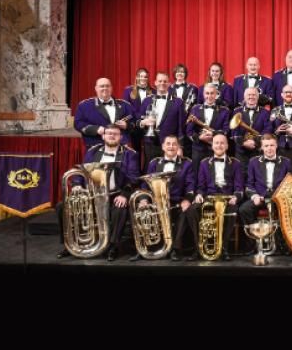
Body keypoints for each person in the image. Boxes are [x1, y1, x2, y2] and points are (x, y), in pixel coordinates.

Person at [57, 123, 140, 261]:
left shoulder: (129, 154)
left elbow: (133, 178)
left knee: (120, 210)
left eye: (115, 134)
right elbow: (81, 172)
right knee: (62, 206)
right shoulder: (93, 152)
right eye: (109, 133)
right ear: (103, 136)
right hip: (92, 194)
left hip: (114, 194)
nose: (112, 136)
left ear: (120, 137)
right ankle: (70, 243)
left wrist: (124, 195)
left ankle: (113, 246)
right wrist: (77, 185)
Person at [129, 134, 198, 262]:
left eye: (174, 144)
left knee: (184, 213)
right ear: (163, 146)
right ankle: (144, 248)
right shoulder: (154, 163)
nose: (171, 146)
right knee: (141, 211)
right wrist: (143, 199)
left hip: (176, 201)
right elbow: (145, 183)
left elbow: (190, 184)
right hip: (156, 202)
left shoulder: (187, 163)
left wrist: (187, 199)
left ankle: (175, 249)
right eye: (168, 144)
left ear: (178, 147)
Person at [192, 133, 245, 261]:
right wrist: (199, 194)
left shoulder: (236, 163)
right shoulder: (204, 163)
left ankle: (224, 247)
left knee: (233, 211)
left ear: (227, 146)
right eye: (216, 143)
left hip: (227, 198)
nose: (219, 145)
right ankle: (199, 247)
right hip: (209, 198)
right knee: (192, 210)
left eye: (222, 143)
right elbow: (200, 186)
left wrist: (236, 197)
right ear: (212, 145)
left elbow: (239, 187)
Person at [238, 133, 292, 254]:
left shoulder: (286, 162)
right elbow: (249, 184)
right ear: (261, 147)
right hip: (260, 198)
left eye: (272, 145)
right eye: (266, 146)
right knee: (244, 209)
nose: (269, 148)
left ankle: (283, 245)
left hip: (278, 199)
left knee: (289, 209)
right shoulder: (253, 161)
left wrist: (279, 197)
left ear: (276, 146)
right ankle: (253, 244)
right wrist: (254, 196)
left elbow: (290, 185)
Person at [137, 71, 184, 169]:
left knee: (169, 170)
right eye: (160, 81)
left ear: (169, 84)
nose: (162, 83)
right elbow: (138, 119)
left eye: (165, 81)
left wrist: (180, 146)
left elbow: (181, 127)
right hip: (150, 143)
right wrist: (143, 122)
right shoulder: (147, 100)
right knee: (149, 170)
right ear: (155, 83)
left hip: (170, 145)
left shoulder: (178, 102)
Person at [74, 77, 135, 150]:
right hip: (96, 147)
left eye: (107, 86)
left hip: (122, 147)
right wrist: (96, 129)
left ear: (111, 88)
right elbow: (78, 124)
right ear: (96, 88)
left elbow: (134, 122)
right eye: (102, 86)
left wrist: (127, 125)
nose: (105, 88)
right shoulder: (84, 106)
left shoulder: (125, 105)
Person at [185, 83, 231, 172]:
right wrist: (199, 137)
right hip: (198, 149)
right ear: (203, 94)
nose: (209, 96)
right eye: (207, 93)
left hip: (217, 149)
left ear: (216, 95)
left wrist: (214, 134)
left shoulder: (224, 110)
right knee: (197, 176)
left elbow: (226, 130)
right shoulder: (195, 108)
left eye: (212, 93)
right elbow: (189, 131)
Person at [229, 87, 272, 178]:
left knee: (258, 175)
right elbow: (233, 131)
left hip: (258, 150)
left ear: (257, 97)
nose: (251, 97)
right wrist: (244, 143)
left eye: (254, 95)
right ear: (244, 97)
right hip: (241, 151)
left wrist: (255, 141)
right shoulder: (236, 111)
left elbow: (268, 130)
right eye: (249, 95)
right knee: (240, 175)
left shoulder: (265, 112)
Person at [168, 63, 199, 159]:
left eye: (182, 72)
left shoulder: (193, 88)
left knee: (187, 150)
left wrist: (189, 118)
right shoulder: (169, 88)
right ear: (174, 74)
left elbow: (196, 105)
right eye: (178, 72)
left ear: (185, 74)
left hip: (188, 122)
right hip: (173, 123)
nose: (180, 74)